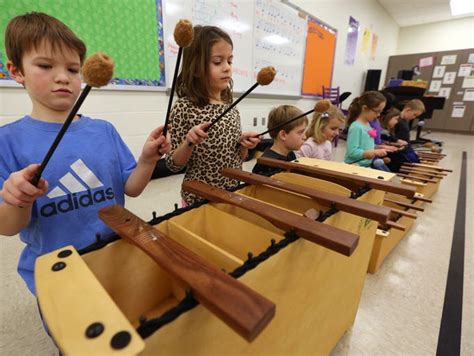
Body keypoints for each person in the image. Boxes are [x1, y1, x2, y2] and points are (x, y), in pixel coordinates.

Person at [0, 12, 170, 295]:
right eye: (44, 65)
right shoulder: (7, 141)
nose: (62, 78)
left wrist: (147, 160)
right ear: (16, 71)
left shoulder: (104, 130)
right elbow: (8, 226)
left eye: (72, 69)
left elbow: (132, 188)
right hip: (57, 270)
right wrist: (19, 199)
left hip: (116, 254)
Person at [165, 25, 260, 206]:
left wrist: (244, 144)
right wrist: (188, 142)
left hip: (231, 193)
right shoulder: (184, 108)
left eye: (229, 61)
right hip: (198, 199)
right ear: (196, 66)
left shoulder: (231, 107)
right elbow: (172, 164)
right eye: (218, 62)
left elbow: (239, 158)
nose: (227, 68)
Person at [252, 105, 308, 176]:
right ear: (283, 135)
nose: (305, 137)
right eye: (300, 132)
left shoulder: (290, 154)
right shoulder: (266, 164)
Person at [344, 91, 390, 172]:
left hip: (365, 166)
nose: (379, 115)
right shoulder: (356, 127)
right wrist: (374, 152)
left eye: (381, 112)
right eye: (377, 111)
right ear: (365, 108)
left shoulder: (367, 124)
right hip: (354, 167)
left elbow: (365, 146)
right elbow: (352, 152)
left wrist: (380, 147)